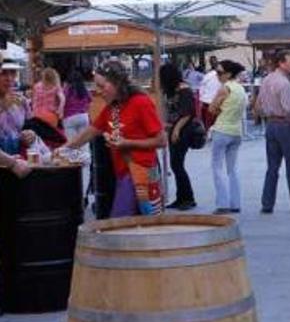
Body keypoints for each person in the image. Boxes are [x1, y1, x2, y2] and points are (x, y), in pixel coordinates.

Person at [59, 61, 165, 217]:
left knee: (122, 220)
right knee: (137, 224)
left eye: (102, 86)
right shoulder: (113, 108)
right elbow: (88, 133)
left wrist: (126, 143)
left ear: (117, 83)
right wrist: (60, 150)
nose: (98, 91)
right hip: (123, 174)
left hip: (141, 172)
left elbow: (161, 140)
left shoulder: (140, 102)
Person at [256, 49, 290, 213]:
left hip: (271, 125)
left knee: (272, 167)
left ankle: (267, 204)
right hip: (286, 125)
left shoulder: (266, 80)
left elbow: (259, 104)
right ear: (282, 63)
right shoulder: (284, 83)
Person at [208, 60, 247, 214]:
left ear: (228, 74)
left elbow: (211, 108)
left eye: (220, 72)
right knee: (233, 168)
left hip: (222, 130)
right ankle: (235, 203)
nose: (217, 75)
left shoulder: (225, 89)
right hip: (236, 131)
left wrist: (220, 112)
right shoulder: (241, 89)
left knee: (217, 167)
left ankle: (222, 203)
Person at [161, 63, 197, 211]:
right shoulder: (172, 91)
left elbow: (187, 113)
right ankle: (181, 197)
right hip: (173, 129)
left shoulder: (184, 90)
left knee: (177, 164)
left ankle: (188, 198)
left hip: (183, 131)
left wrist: (176, 129)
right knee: (176, 165)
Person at [62, 70, 93, 185]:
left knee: (72, 149)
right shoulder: (83, 89)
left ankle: (75, 182)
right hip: (83, 117)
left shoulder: (67, 89)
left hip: (69, 119)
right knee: (84, 150)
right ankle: (86, 181)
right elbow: (90, 102)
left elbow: (62, 103)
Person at [0, 62, 36, 155]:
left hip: (17, 159)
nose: (9, 78)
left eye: (13, 73)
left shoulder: (21, 101)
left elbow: (29, 126)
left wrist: (30, 134)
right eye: (3, 73)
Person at [199, 56, 222, 131]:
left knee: (209, 126)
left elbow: (201, 89)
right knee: (217, 125)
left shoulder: (207, 75)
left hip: (208, 102)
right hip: (217, 103)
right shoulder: (222, 75)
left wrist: (201, 100)